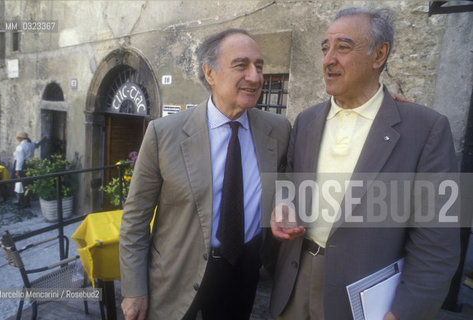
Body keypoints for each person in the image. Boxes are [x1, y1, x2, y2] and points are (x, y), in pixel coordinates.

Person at [270, 7, 459, 320]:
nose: (328, 59)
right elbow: (289, 184)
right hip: (294, 285)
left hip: (365, 301)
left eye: (343, 48)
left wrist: (405, 312)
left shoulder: (426, 129)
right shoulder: (306, 121)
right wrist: (283, 205)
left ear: (379, 55)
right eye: (325, 48)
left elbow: (438, 242)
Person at [119, 28, 291, 320]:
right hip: (176, 273)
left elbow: (287, 182)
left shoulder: (278, 129)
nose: (255, 76)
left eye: (259, 67)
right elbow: (136, 218)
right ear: (209, 73)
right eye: (241, 65)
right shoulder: (164, 134)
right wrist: (134, 289)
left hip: (243, 271)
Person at [13, 132, 43, 207]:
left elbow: (20, 160)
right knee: (28, 184)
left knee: (21, 184)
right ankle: (26, 201)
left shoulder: (20, 147)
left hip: (22, 166)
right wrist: (42, 140)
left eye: (18, 138)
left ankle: (23, 202)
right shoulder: (31, 144)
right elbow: (37, 144)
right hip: (30, 165)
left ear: (20, 138)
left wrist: (17, 170)